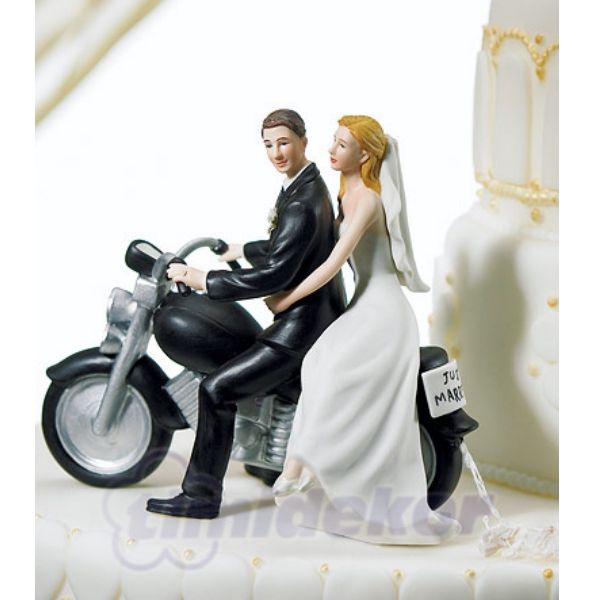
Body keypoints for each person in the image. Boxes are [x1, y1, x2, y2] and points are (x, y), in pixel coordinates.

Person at [267, 115, 461, 544]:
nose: (332, 150)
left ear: (366, 154)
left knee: (335, 375)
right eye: (333, 141)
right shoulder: (343, 192)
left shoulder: (369, 200)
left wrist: (286, 299)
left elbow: (334, 262)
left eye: (342, 144)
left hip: (384, 313)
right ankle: (307, 468)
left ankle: (301, 466)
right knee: (315, 364)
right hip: (364, 305)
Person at [146, 109, 346, 519]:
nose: (276, 153)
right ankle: (267, 456)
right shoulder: (304, 186)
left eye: (284, 143)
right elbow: (290, 246)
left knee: (215, 390)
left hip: (301, 330)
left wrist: (205, 280)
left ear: (304, 141)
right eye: (269, 145)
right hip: (311, 320)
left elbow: (277, 273)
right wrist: (243, 250)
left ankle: (201, 495)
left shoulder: (303, 202)